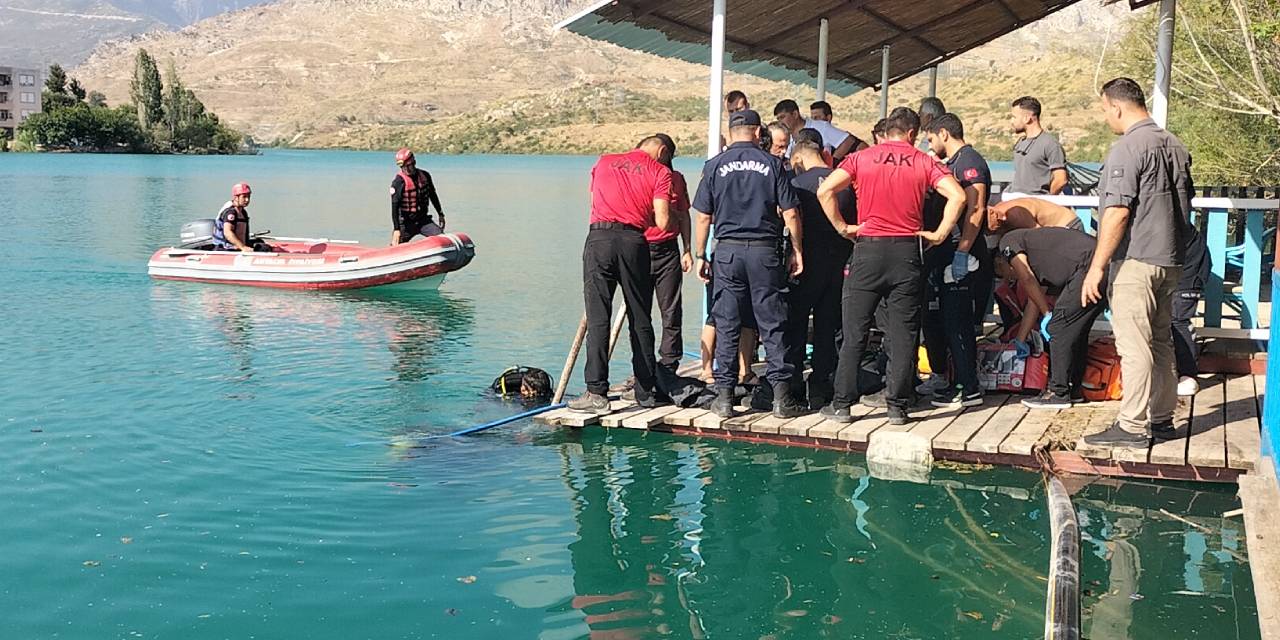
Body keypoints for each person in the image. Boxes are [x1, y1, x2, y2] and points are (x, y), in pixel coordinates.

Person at [815, 106, 968, 425]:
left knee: (855, 329)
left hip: (868, 250)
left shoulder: (862, 158)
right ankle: (897, 405)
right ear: (912, 133)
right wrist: (939, 234)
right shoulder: (924, 161)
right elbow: (957, 196)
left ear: (888, 131)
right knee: (903, 332)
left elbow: (825, 190)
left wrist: (843, 227)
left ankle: (842, 404)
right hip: (907, 251)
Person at [1081, 78, 1194, 447]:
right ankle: (1162, 419)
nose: (1106, 117)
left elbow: (1116, 212)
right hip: (1171, 259)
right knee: (1161, 340)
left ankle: (1130, 425)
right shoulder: (1175, 144)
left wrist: (1097, 266)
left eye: (1104, 110)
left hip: (1137, 259)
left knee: (1133, 345)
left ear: (1116, 106)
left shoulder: (1128, 148)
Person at [691, 109, 806, 419]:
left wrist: (700, 253)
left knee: (727, 322)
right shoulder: (773, 164)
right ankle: (782, 398)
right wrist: (797, 249)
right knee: (772, 322)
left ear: (731, 133)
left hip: (727, 252)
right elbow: (791, 213)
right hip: (764, 252)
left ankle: (725, 398)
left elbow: (703, 215)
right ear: (758, 133)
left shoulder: (714, 166)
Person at [568, 135, 674, 415]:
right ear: (661, 151)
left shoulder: (604, 161)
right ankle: (645, 390)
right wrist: (643, 216)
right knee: (640, 317)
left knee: (598, 316)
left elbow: (595, 199)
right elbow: (662, 220)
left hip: (599, 238)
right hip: (635, 243)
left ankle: (596, 391)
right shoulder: (661, 171)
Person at [920, 113, 993, 408]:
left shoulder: (970, 162)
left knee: (958, 322)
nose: (929, 144)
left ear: (944, 134)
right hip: (944, 254)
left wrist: (963, 251)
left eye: (930, 138)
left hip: (963, 254)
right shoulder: (951, 164)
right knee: (942, 321)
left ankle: (969, 387)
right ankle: (953, 380)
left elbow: (976, 209)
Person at [997, 228, 1107, 409]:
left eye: (1006, 275)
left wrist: (1048, 316)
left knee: (1058, 326)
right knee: (1075, 330)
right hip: (1097, 264)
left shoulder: (1008, 242)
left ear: (1001, 263)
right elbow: (1034, 299)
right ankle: (1074, 389)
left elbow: (1026, 277)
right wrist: (1020, 339)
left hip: (1087, 265)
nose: (1010, 279)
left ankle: (1058, 392)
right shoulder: (1042, 260)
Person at [786, 140, 856, 409]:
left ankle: (792, 385)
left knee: (796, 325)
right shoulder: (844, 184)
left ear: (798, 160)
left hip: (804, 262)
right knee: (830, 327)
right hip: (838, 263)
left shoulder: (796, 184)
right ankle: (821, 386)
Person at [646, 133, 693, 375]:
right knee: (641, 310)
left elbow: (684, 215)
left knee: (671, 308)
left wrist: (687, 249)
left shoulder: (676, 179)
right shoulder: (640, 176)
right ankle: (642, 364)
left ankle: (669, 362)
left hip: (668, 249)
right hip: (641, 248)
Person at [1174, 228, 1210, 396]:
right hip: (1191, 270)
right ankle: (1185, 373)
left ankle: (1188, 375)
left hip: (1187, 275)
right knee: (1177, 321)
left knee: (1178, 321)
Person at [1008, 97, 1069, 195]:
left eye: (1014, 117)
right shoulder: (1020, 143)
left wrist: (1046, 200)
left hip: (1036, 206)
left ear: (1027, 118)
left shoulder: (1050, 144)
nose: (1011, 121)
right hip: (1015, 202)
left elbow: (1061, 179)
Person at [390, 148, 446, 245]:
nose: (406, 169)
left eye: (408, 166)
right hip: (406, 223)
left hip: (423, 220)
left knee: (442, 238)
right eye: (403, 167)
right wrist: (396, 229)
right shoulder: (398, 182)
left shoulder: (425, 176)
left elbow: (433, 195)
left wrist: (440, 214)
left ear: (414, 162)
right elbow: (395, 207)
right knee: (396, 245)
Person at [773, 99, 857, 162]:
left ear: (795, 114)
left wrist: (832, 163)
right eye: (778, 119)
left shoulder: (820, 126)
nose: (780, 122)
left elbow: (848, 141)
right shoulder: (786, 135)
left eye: (782, 117)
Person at [213, 182, 273, 252]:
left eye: (248, 197)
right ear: (236, 197)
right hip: (226, 248)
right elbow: (227, 233)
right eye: (244, 197)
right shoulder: (231, 213)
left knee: (262, 245)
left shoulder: (243, 212)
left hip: (239, 246)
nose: (247, 200)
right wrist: (243, 247)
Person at [988, 197, 1084, 232]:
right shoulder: (999, 208)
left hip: (1068, 225)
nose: (988, 234)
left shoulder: (1016, 215)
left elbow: (1040, 237)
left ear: (994, 214)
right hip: (1055, 228)